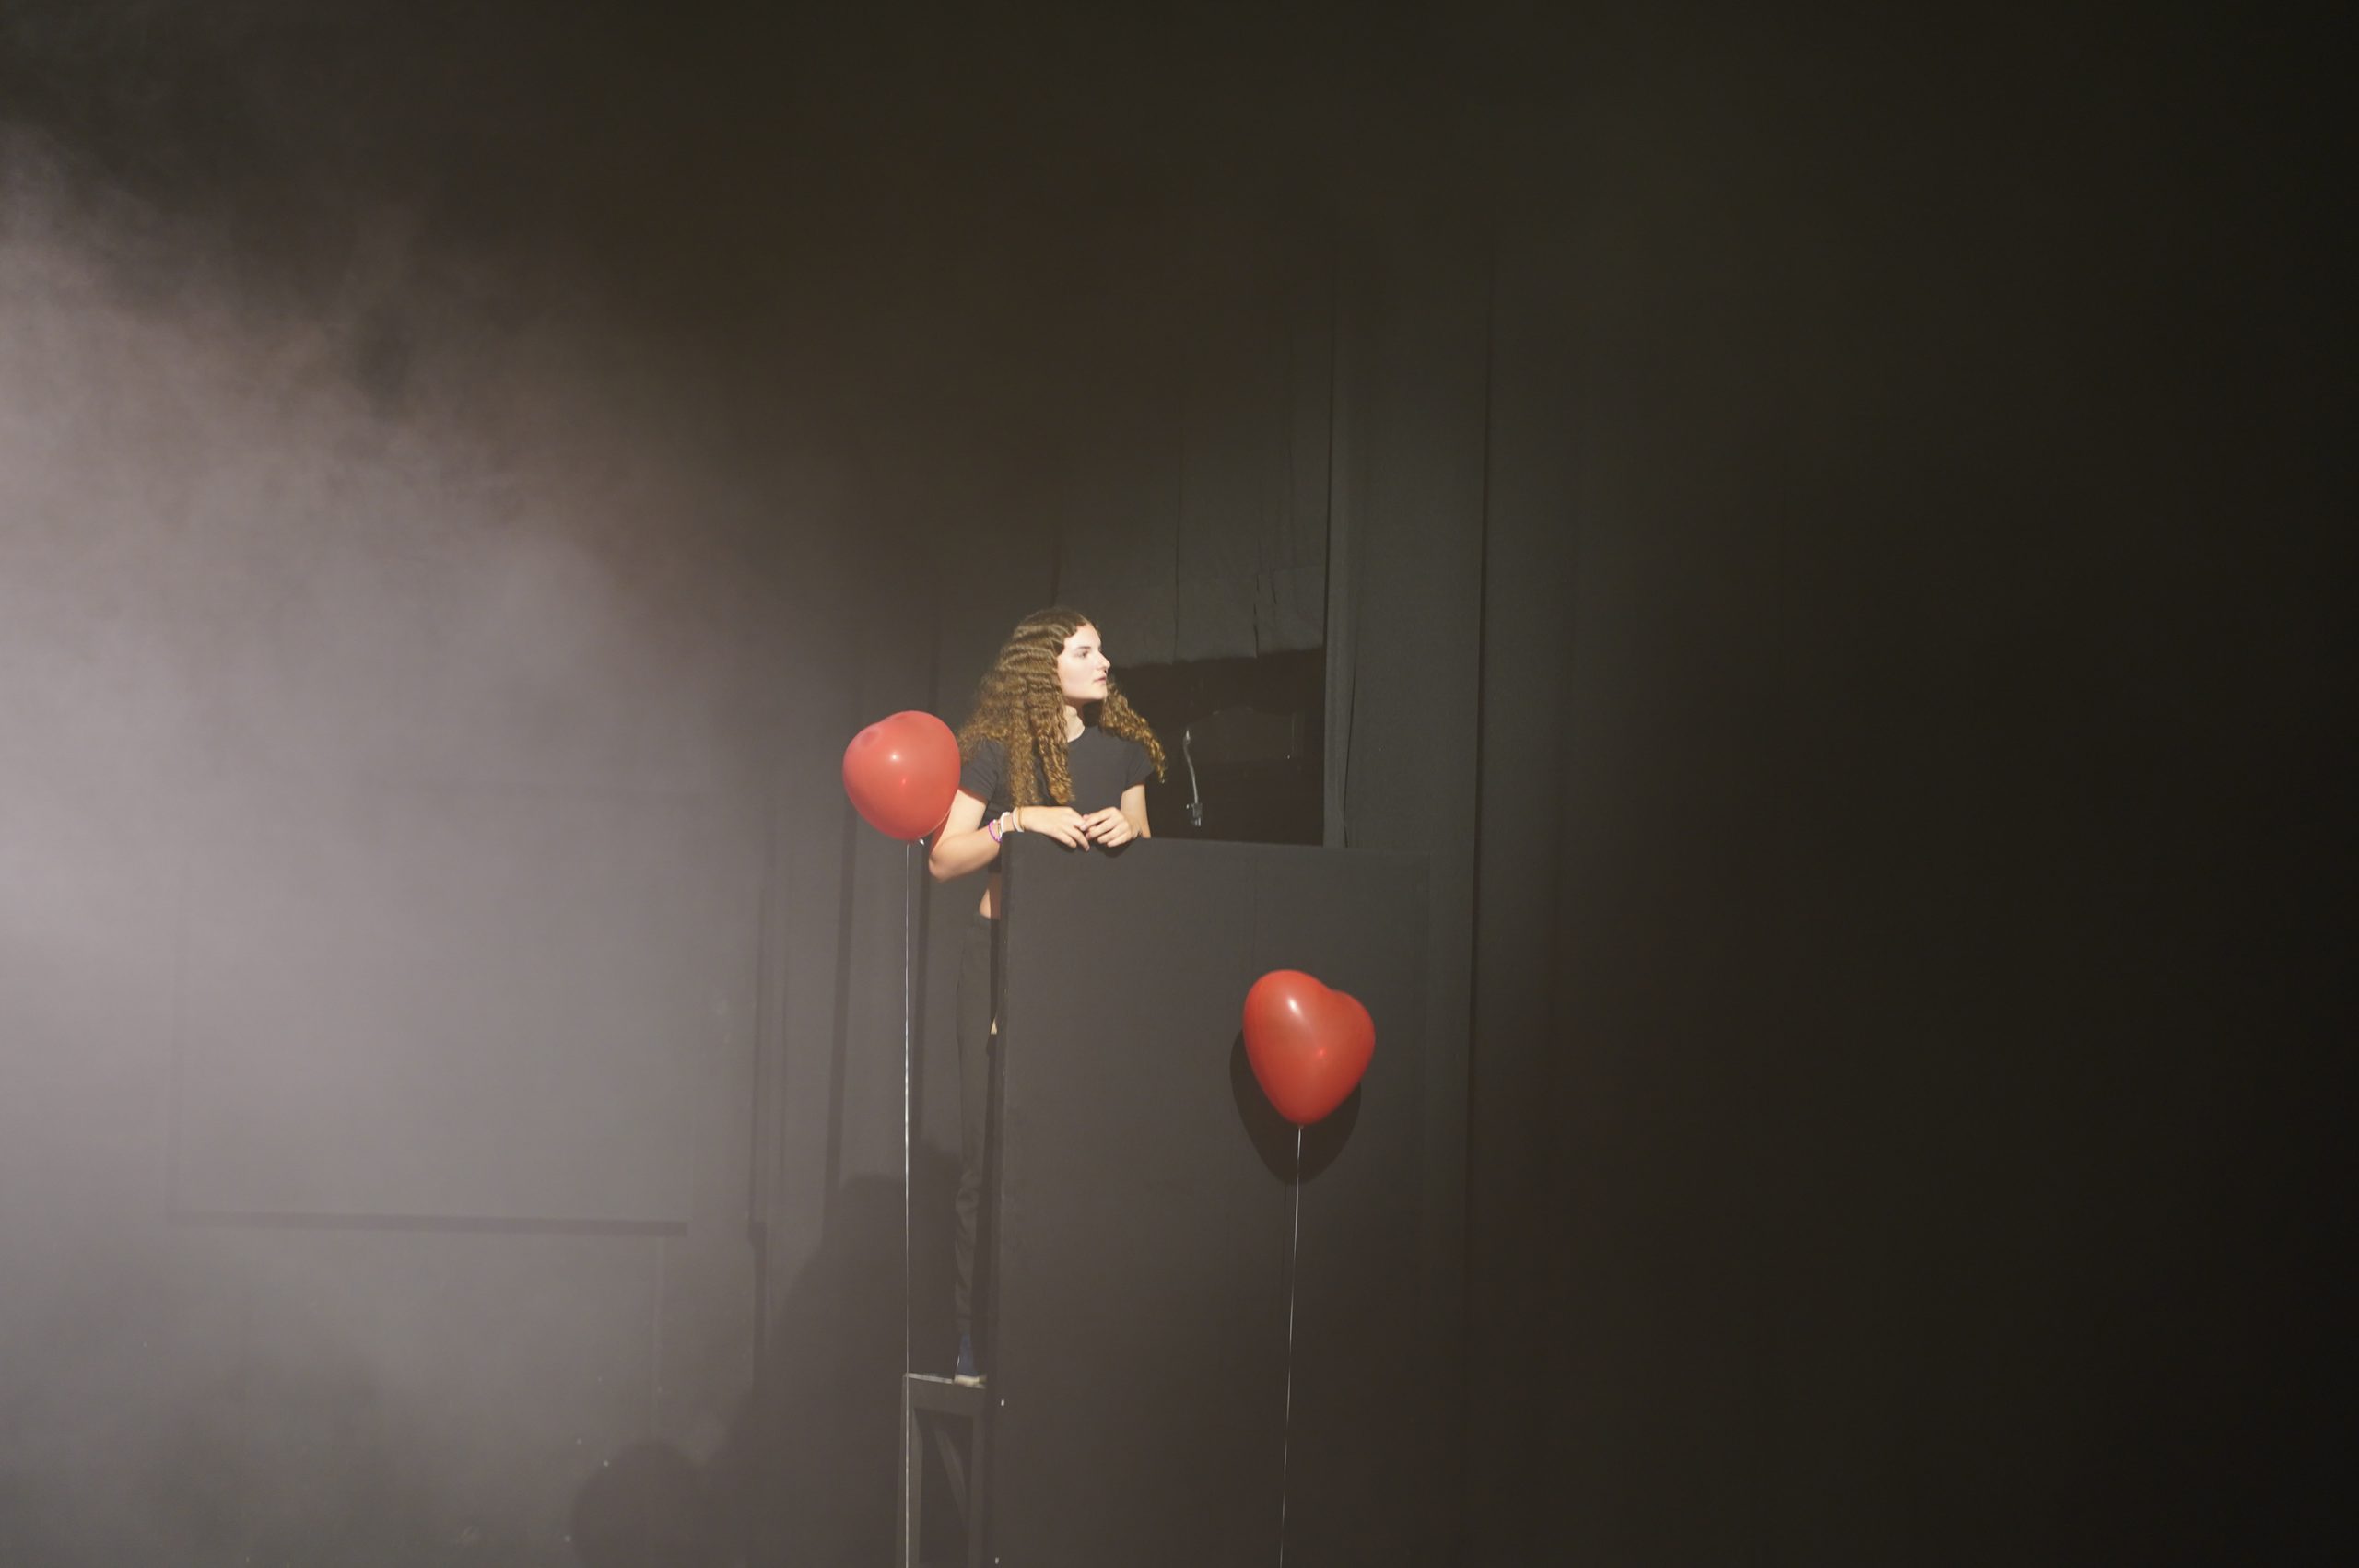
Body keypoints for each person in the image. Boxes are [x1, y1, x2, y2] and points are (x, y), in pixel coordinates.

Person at [927, 608, 1165, 1385]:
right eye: (1085, 650)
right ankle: (974, 1338)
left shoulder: (1122, 754)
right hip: (999, 958)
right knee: (986, 1156)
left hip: (1082, 967)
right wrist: (1017, 819)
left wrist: (1131, 834)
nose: (1104, 662)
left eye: (1102, 650)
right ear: (1044, 666)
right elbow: (943, 858)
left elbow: (1150, 866)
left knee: (1074, 1156)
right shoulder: (998, 748)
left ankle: (1064, 1338)